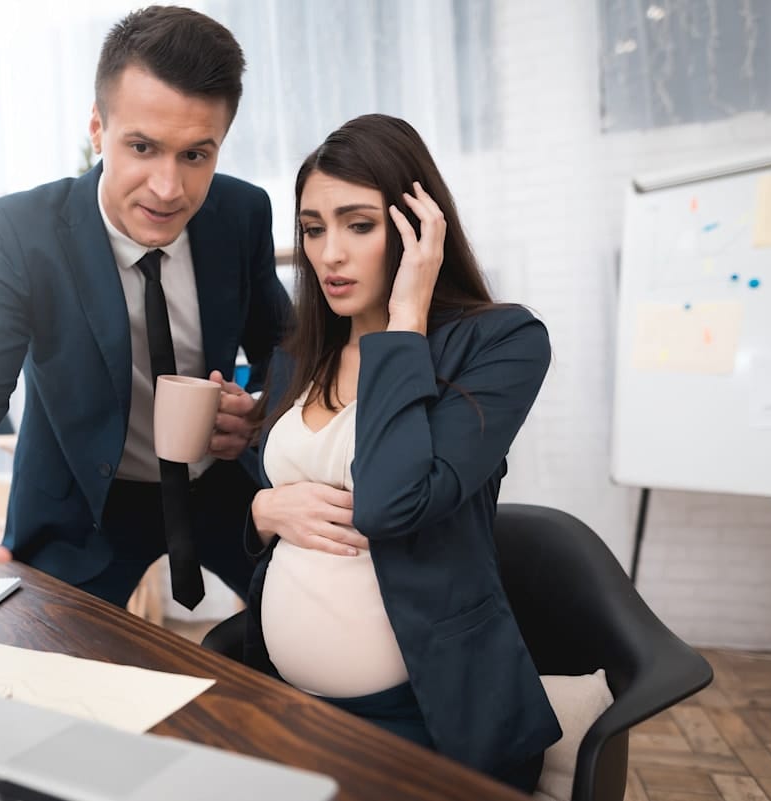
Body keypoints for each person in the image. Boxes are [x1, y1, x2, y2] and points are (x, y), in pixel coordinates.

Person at [0, 6, 291, 610]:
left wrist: (258, 414)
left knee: (301, 633)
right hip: (81, 506)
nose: (167, 188)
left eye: (195, 155)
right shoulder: (21, 234)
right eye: (143, 146)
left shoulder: (241, 214)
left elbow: (286, 349)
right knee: (52, 669)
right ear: (98, 129)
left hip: (219, 490)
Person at [240, 114, 561, 792]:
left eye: (359, 224)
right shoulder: (298, 354)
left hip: (427, 719)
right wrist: (263, 508)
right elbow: (266, 491)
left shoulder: (502, 342)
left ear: (418, 228)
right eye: (313, 228)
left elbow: (391, 501)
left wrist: (406, 318)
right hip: (288, 703)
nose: (329, 254)